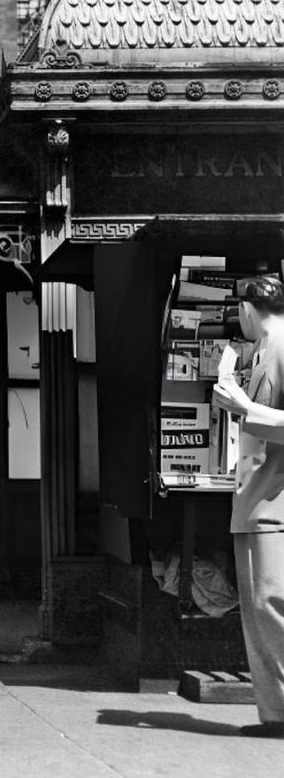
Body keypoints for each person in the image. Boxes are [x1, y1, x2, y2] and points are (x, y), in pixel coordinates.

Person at [210, 275, 284, 738]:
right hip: (262, 498)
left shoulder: (276, 348)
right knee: (262, 607)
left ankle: (279, 713)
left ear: (247, 308)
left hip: (272, 500)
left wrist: (241, 407)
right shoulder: (264, 350)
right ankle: (274, 712)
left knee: (268, 605)